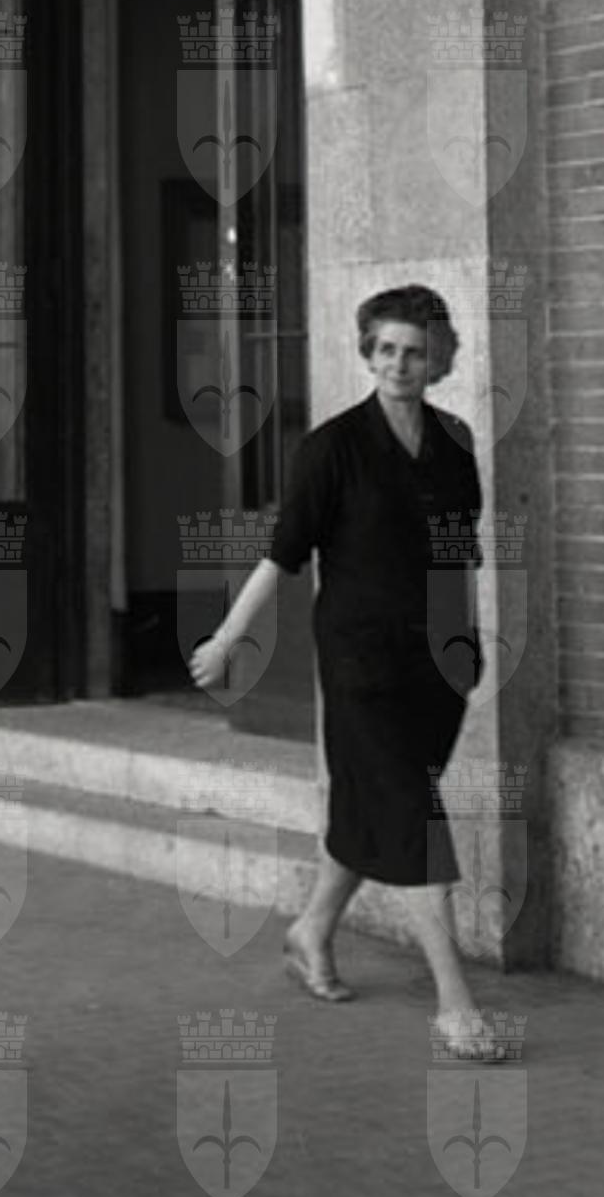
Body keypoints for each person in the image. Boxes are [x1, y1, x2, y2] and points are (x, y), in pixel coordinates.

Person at [189, 283, 507, 1062]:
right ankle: (455, 1004)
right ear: (367, 352)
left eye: (415, 352)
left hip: (437, 660)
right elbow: (283, 554)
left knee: (378, 802)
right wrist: (228, 640)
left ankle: (311, 929)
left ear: (438, 360)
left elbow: (459, 551)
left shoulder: (455, 441)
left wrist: (467, 643)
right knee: (414, 814)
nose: (399, 363)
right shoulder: (329, 448)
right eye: (386, 349)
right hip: (361, 659)